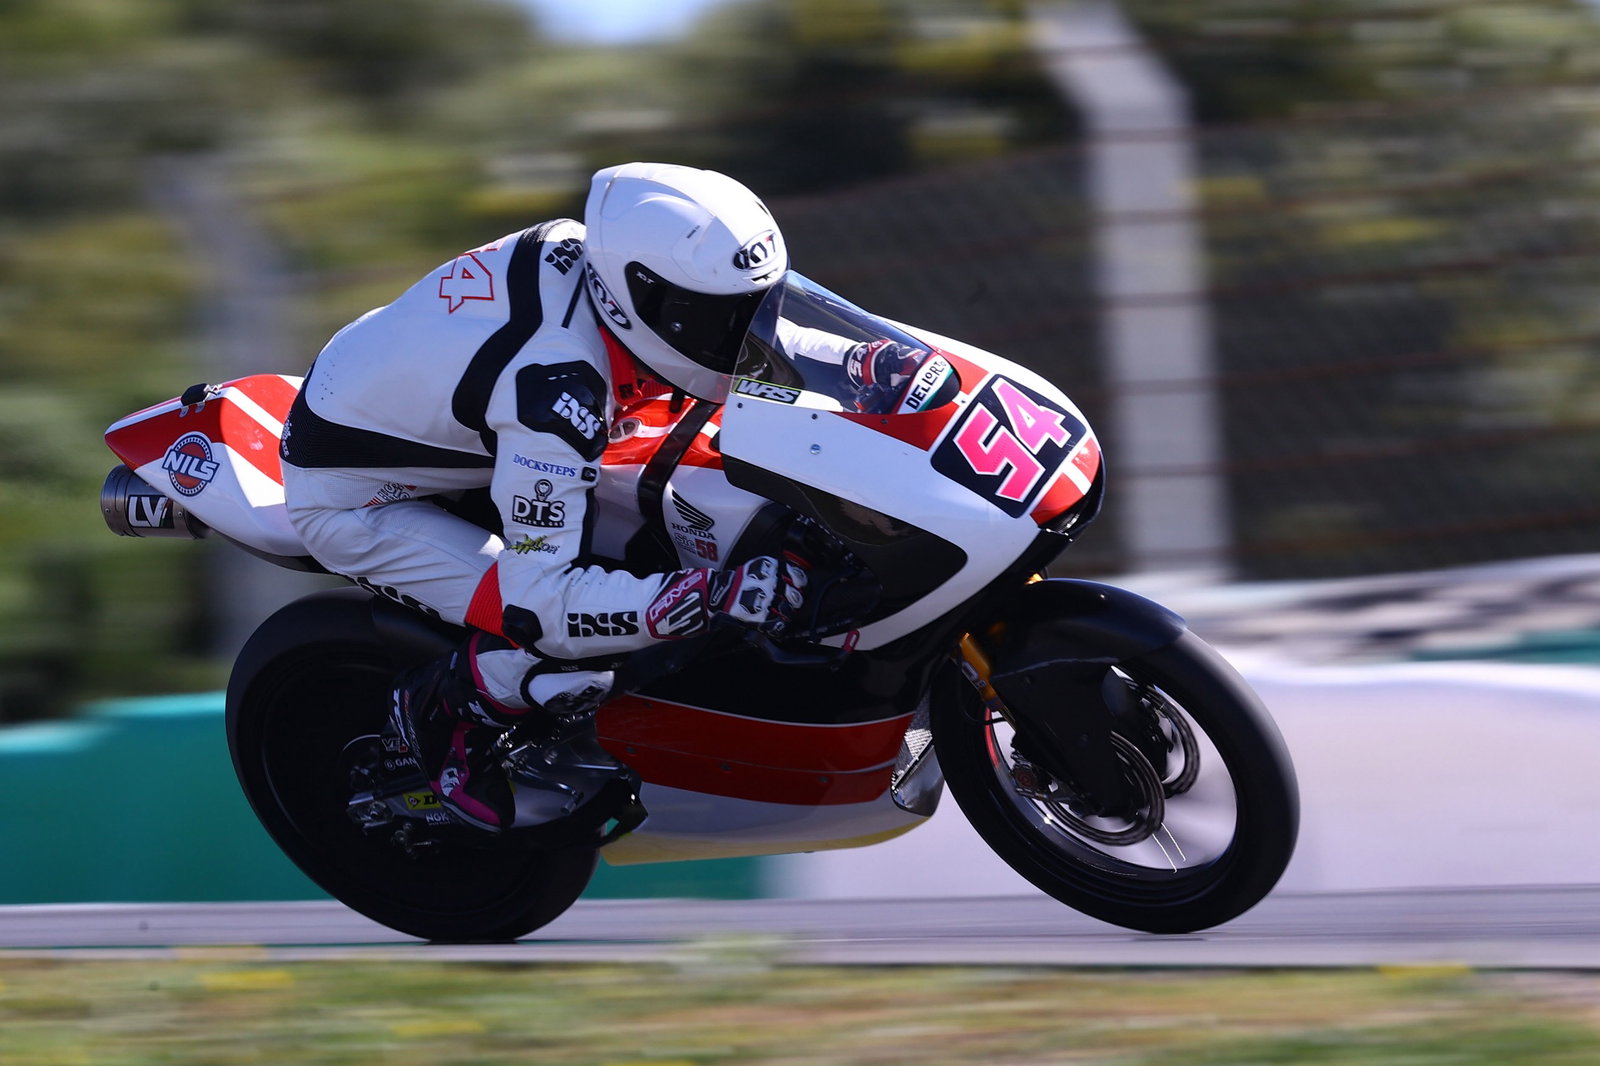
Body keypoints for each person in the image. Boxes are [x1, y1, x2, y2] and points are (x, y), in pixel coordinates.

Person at [279, 162, 923, 833]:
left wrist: (855, 359)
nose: (744, 332)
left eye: (755, 305)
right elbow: (542, 600)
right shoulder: (554, 391)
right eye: (719, 317)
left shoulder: (618, 272)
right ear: (638, 297)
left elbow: (752, 326)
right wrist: (709, 595)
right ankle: (452, 711)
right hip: (367, 500)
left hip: (455, 425)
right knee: (569, 647)